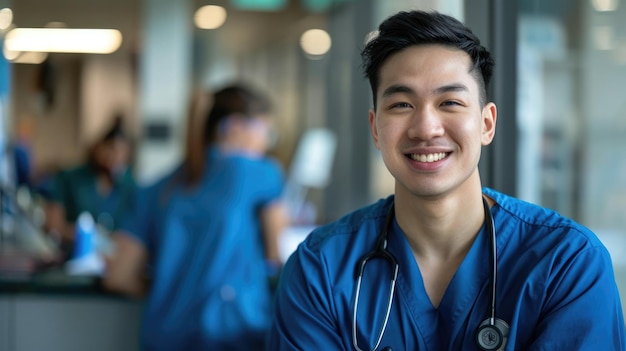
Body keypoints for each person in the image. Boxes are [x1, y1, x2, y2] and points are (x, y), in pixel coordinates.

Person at [268, 10, 626, 351]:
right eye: (402, 105)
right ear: (375, 128)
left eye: (450, 102)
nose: (426, 128)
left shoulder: (566, 263)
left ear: (487, 124)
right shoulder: (321, 269)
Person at [102, 83, 288, 351]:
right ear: (235, 127)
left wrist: (172, 287)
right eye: (265, 132)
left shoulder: (156, 189)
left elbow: (118, 276)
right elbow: (276, 254)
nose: (265, 144)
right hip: (232, 335)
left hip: (164, 338)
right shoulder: (259, 173)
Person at [45, 115, 136, 251]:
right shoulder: (71, 179)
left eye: (121, 153)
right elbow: (53, 225)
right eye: (111, 149)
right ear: (99, 149)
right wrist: (87, 236)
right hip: (71, 254)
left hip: (111, 259)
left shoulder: (128, 187)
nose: (115, 157)